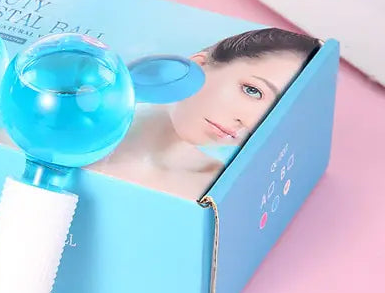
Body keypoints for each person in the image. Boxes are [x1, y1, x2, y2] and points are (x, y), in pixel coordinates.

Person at [92, 28, 320, 199]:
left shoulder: (215, 191)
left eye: (275, 113)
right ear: (199, 64)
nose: (251, 122)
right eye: (252, 90)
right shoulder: (85, 114)